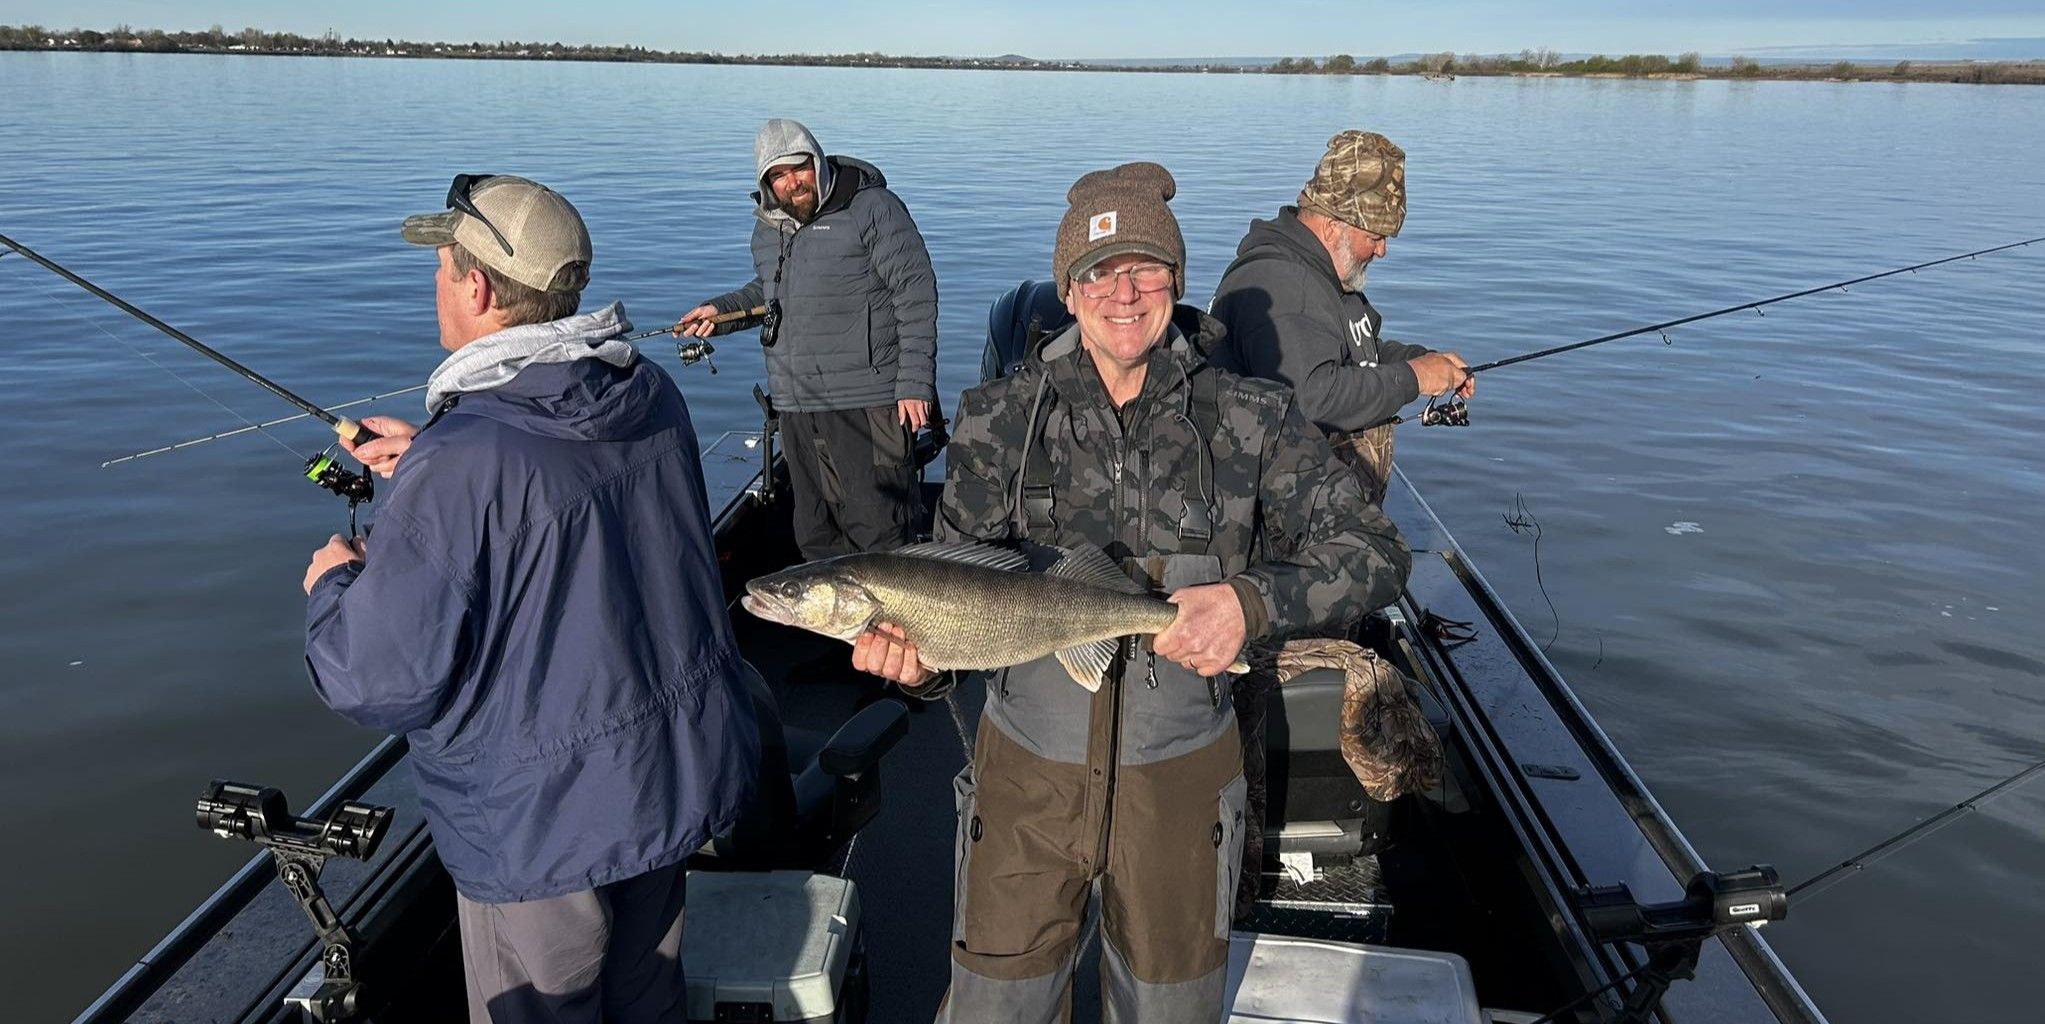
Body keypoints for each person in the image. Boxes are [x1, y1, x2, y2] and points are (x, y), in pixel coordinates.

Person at [854, 162, 1411, 1022]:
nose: (1124, 293)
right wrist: (918, 666)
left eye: (1145, 271)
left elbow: (1375, 550)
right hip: (1025, 786)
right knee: (994, 1007)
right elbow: (954, 592)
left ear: (1176, 284)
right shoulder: (997, 418)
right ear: (1070, 291)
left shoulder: (1251, 417)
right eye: (1099, 273)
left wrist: (1250, 603)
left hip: (1182, 787)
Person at [302, 174, 761, 1024]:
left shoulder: (465, 462)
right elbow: (562, 499)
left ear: (476, 287)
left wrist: (334, 581)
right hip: (665, 783)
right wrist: (436, 455)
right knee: (645, 1005)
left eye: (442, 268)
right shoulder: (648, 391)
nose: (436, 284)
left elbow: (373, 678)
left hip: (542, 827)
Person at [676, 118, 939, 559]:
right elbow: (771, 292)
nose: (792, 182)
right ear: (766, 183)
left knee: (880, 535)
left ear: (816, 161)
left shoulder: (872, 208)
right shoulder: (768, 229)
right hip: (797, 407)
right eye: (778, 176)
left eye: (798, 168)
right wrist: (720, 313)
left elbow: (915, 290)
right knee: (816, 537)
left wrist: (914, 381)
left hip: (867, 403)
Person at [1210, 129, 1474, 506]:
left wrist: (1424, 361)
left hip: (1323, 510)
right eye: (1376, 236)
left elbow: (1357, 351)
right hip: (1278, 515)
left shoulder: (1322, 274)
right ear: (1335, 225)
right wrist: (1413, 378)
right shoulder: (1285, 284)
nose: (1381, 251)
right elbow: (1315, 396)